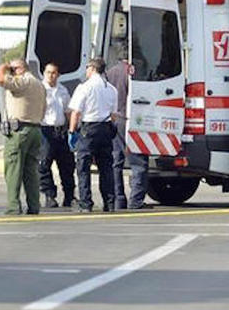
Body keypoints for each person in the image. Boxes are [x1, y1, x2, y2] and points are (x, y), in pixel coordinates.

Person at [0, 58, 46, 215]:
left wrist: (3, 67)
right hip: (36, 129)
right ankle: (34, 205)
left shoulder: (22, 82)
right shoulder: (39, 84)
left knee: (13, 170)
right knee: (30, 171)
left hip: (20, 131)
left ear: (20, 69)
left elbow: (0, 80)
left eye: (13, 69)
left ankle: (13, 206)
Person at [68, 58, 117, 213]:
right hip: (105, 127)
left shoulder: (84, 87)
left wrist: (71, 131)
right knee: (106, 168)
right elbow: (113, 114)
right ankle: (109, 202)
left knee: (83, 168)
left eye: (87, 67)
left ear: (93, 68)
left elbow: (76, 112)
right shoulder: (111, 89)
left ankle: (86, 203)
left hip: (89, 129)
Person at [106, 47, 151, 210]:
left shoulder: (110, 72)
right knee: (138, 162)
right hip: (133, 120)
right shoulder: (135, 72)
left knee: (116, 162)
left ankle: (119, 199)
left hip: (116, 119)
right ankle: (136, 200)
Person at [39, 62, 75, 208]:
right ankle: (49, 195)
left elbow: (68, 111)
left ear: (58, 75)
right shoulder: (40, 90)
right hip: (45, 130)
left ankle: (69, 196)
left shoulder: (62, 90)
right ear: (44, 73)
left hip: (61, 131)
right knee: (43, 165)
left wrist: (72, 129)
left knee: (67, 165)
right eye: (48, 72)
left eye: (54, 73)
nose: (51, 75)